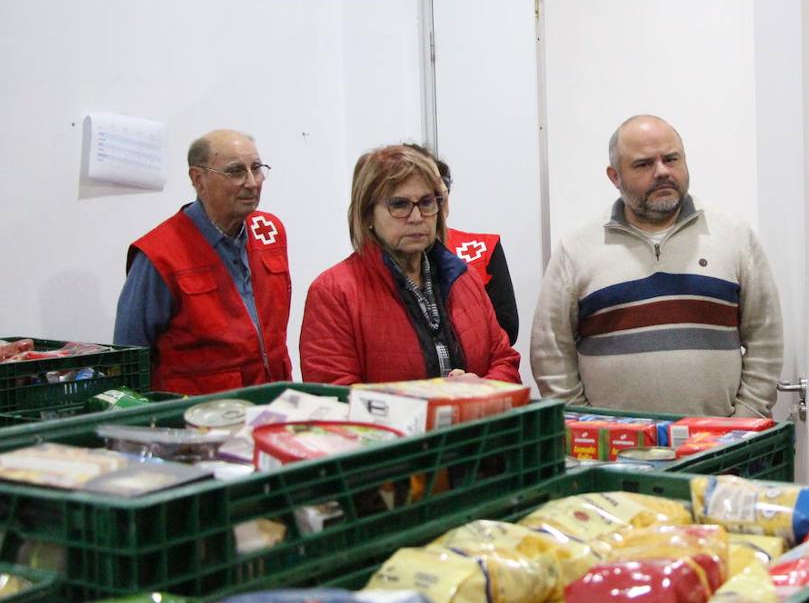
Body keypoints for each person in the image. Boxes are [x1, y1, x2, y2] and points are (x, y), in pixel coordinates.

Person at [530, 114, 783, 417]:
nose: (662, 171)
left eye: (671, 159)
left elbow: (765, 337)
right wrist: (589, 426)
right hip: (614, 456)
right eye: (643, 164)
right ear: (614, 176)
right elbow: (551, 352)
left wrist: (745, 420)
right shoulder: (576, 250)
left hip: (720, 451)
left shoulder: (733, 236)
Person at [299, 144, 520, 385]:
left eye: (426, 203)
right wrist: (433, 401)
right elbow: (335, 397)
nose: (416, 217)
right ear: (367, 214)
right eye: (399, 205)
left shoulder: (464, 278)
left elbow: (505, 361)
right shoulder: (334, 293)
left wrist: (482, 387)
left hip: (475, 421)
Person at [114, 129, 292, 395]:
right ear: (198, 179)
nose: (253, 182)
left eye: (256, 168)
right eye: (235, 172)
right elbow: (129, 359)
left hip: (271, 403)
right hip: (196, 417)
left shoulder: (270, 232)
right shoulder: (159, 255)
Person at [420, 148, 519, 345]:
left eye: (440, 193)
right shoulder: (382, 261)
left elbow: (508, 328)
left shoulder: (482, 248)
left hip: (481, 367)